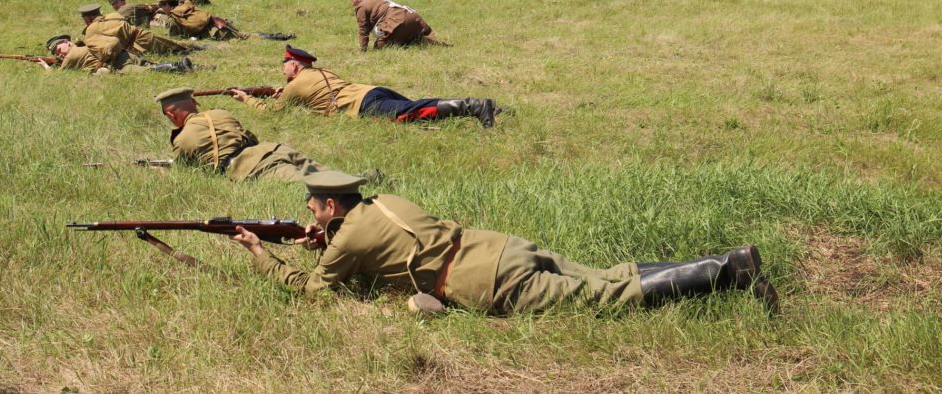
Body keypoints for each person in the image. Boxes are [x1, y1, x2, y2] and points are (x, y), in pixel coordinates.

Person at [231, 171, 779, 316]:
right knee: (606, 275)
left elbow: (313, 290)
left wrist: (260, 253)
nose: (309, 212)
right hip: (498, 246)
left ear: (330, 205)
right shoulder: (382, 202)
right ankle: (727, 260)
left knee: (604, 298)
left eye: (313, 206)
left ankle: (727, 273)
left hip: (484, 281)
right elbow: (386, 243)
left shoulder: (347, 235)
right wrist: (327, 239)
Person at [240, 46, 499, 127]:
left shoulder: (295, 85)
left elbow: (273, 113)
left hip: (363, 104)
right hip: (372, 90)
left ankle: (473, 106)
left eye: (285, 65)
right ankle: (491, 108)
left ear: (295, 66)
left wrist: (245, 99)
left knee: (414, 113)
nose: (283, 70)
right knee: (417, 107)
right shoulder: (321, 72)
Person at [153, 87, 324, 182]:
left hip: (250, 166)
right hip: (274, 149)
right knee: (326, 175)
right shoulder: (221, 113)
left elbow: (184, 174)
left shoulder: (182, 139)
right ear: (194, 102)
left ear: (170, 114)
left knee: (310, 185)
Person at [348, 0, 448, 51]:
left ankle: (410, 43)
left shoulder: (362, 6)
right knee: (413, 40)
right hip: (412, 17)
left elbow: (363, 30)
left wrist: (363, 50)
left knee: (379, 47)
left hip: (398, 21)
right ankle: (423, 41)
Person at [78, 3, 195, 60]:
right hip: (143, 34)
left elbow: (101, 50)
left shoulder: (91, 30)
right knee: (176, 46)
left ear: (88, 19)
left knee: (172, 52)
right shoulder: (113, 15)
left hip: (134, 48)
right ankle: (195, 47)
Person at [44, 34, 191, 74]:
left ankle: (179, 66)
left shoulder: (71, 55)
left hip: (118, 65)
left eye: (58, 50)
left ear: (67, 43)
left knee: (148, 71)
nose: (59, 54)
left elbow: (57, 75)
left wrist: (45, 66)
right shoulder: (84, 44)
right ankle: (193, 67)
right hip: (124, 54)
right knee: (151, 64)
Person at [156, 0, 248, 40]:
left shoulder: (173, 17)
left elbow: (175, 38)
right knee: (243, 35)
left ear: (167, 5)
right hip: (219, 24)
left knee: (241, 38)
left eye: (162, 6)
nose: (162, 9)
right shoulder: (187, 5)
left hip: (214, 33)